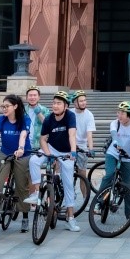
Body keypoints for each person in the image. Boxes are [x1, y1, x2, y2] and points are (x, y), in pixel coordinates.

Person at [24, 91, 82, 232]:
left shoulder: (70, 116)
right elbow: (42, 139)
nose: (55, 106)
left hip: (67, 152)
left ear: (66, 106)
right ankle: (37, 193)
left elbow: (72, 134)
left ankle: (71, 218)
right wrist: (49, 154)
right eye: (54, 103)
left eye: (59, 103)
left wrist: (73, 152)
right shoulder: (49, 118)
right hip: (51, 148)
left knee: (68, 184)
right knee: (33, 161)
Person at [0, 94, 31, 231]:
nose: (4, 109)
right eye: (3, 106)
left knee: (21, 186)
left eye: (7, 106)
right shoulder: (2, 119)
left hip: (22, 154)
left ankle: (25, 217)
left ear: (15, 106)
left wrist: (21, 148)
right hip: (5, 153)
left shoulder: (24, 119)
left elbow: (23, 135)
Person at [97, 101, 130, 223]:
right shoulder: (115, 123)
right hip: (113, 153)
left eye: (123, 113)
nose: (120, 115)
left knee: (127, 185)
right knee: (110, 174)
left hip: (126, 157)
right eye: (119, 112)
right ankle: (99, 201)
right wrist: (116, 143)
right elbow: (114, 136)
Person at [71, 89, 97, 184]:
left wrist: (91, 149)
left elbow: (89, 135)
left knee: (82, 175)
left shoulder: (89, 115)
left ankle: (84, 197)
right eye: (81, 101)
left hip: (82, 145)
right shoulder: (70, 113)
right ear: (75, 102)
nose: (83, 103)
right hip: (69, 145)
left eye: (84, 100)